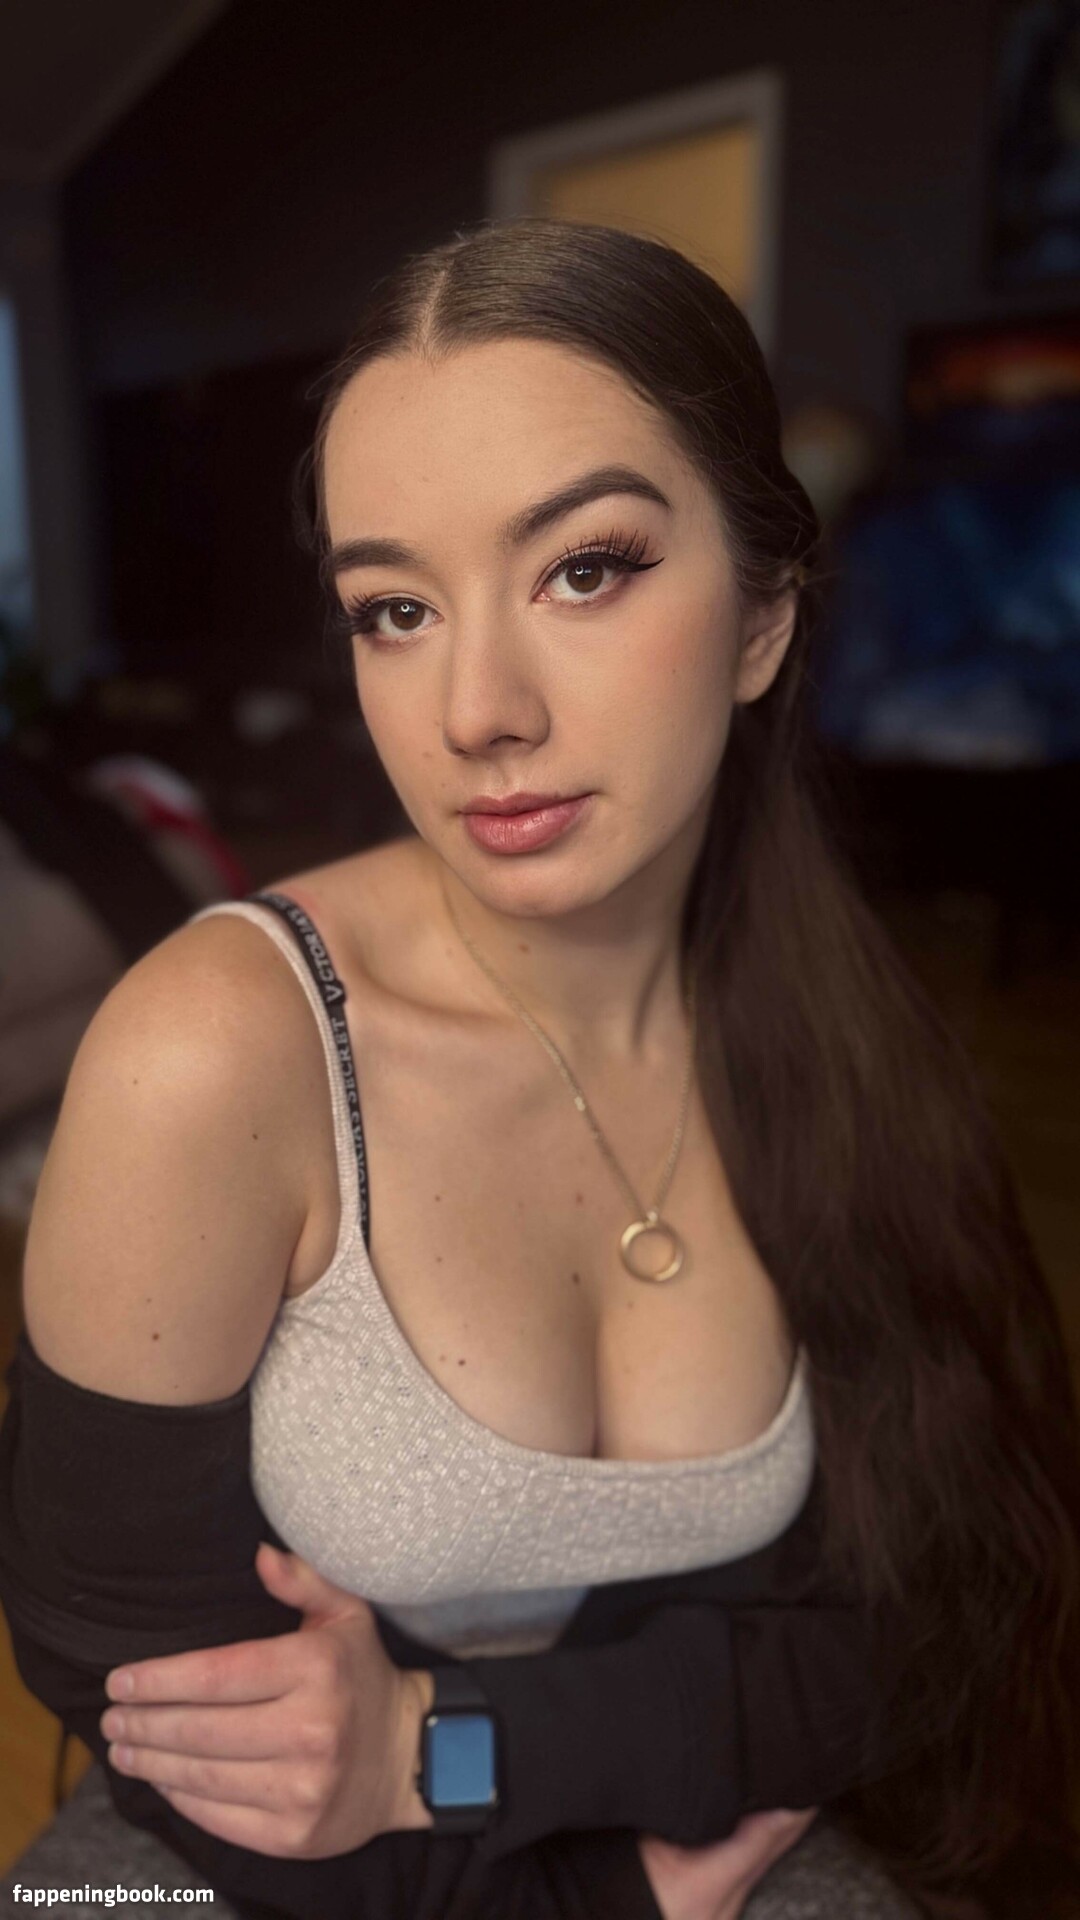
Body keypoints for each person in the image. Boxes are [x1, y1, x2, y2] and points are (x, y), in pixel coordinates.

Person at [2, 217, 1078, 1920]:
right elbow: (140, 1688)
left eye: (585, 569)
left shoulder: (850, 1038)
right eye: (395, 609)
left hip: (579, 1792)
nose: (475, 709)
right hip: (251, 1864)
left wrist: (452, 1744)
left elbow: (932, 1619)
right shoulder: (213, 1052)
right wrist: (596, 1900)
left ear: (762, 617)